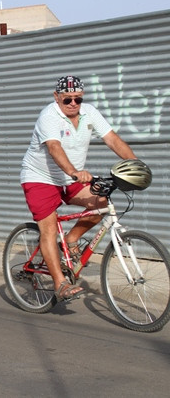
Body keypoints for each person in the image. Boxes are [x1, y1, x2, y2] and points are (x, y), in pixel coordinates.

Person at [20, 76, 137, 301]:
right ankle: (60, 283)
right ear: (57, 98)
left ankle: (72, 239)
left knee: (100, 202)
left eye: (78, 98)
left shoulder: (89, 113)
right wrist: (74, 172)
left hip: (69, 176)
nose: (73, 103)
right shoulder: (49, 116)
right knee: (49, 228)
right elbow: (54, 147)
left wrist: (135, 164)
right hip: (40, 178)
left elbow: (112, 139)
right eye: (67, 99)